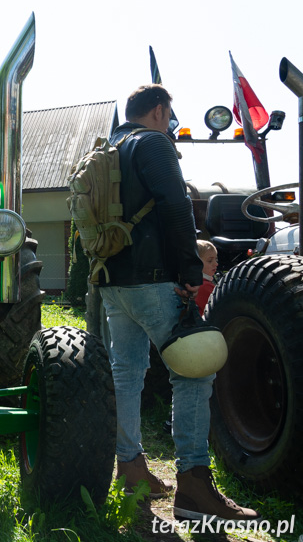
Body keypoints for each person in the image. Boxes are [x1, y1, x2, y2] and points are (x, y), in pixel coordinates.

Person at [98, 84, 259, 522]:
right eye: (168, 114)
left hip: (113, 281)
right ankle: (193, 486)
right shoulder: (153, 142)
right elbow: (174, 204)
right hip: (155, 280)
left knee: (127, 374)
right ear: (157, 109)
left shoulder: (110, 147)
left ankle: (129, 470)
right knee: (194, 371)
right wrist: (191, 271)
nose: (169, 122)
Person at [194, 239, 218, 314]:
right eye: (210, 261)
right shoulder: (204, 286)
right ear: (196, 263)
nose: (216, 264)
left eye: (216, 260)